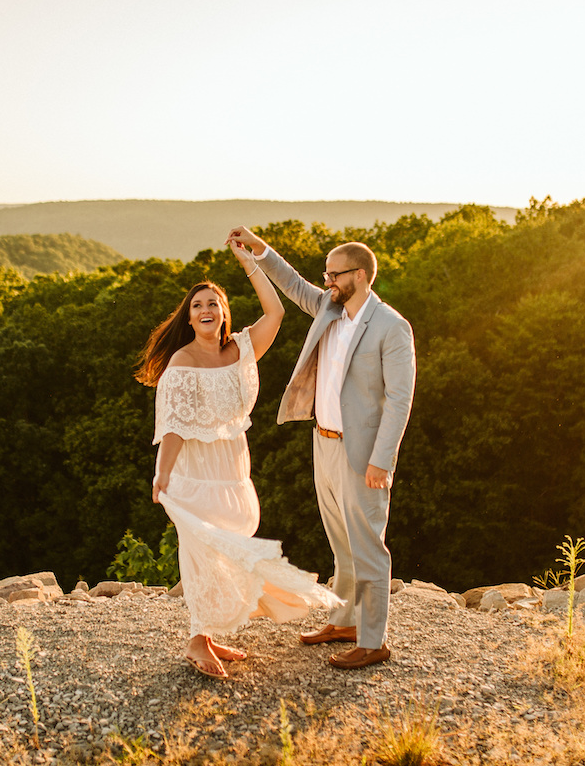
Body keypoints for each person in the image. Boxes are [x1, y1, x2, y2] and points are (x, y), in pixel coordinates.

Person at [135, 238, 342, 680]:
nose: (206, 310)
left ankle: (208, 634)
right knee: (203, 550)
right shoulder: (181, 364)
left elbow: (277, 313)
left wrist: (249, 262)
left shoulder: (242, 350)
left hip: (234, 470)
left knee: (230, 547)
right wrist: (162, 473)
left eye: (214, 303)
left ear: (224, 312)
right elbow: (171, 427)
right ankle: (196, 640)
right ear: (189, 318)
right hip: (197, 472)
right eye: (197, 306)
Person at [225, 226, 416, 670]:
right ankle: (345, 621)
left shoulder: (392, 327)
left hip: (362, 454)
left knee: (368, 547)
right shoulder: (329, 308)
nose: (326, 281)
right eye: (325, 274)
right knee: (342, 546)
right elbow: (292, 284)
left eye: (334, 274)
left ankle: (374, 640)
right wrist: (259, 250)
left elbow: (400, 399)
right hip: (323, 443)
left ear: (362, 275)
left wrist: (381, 461)